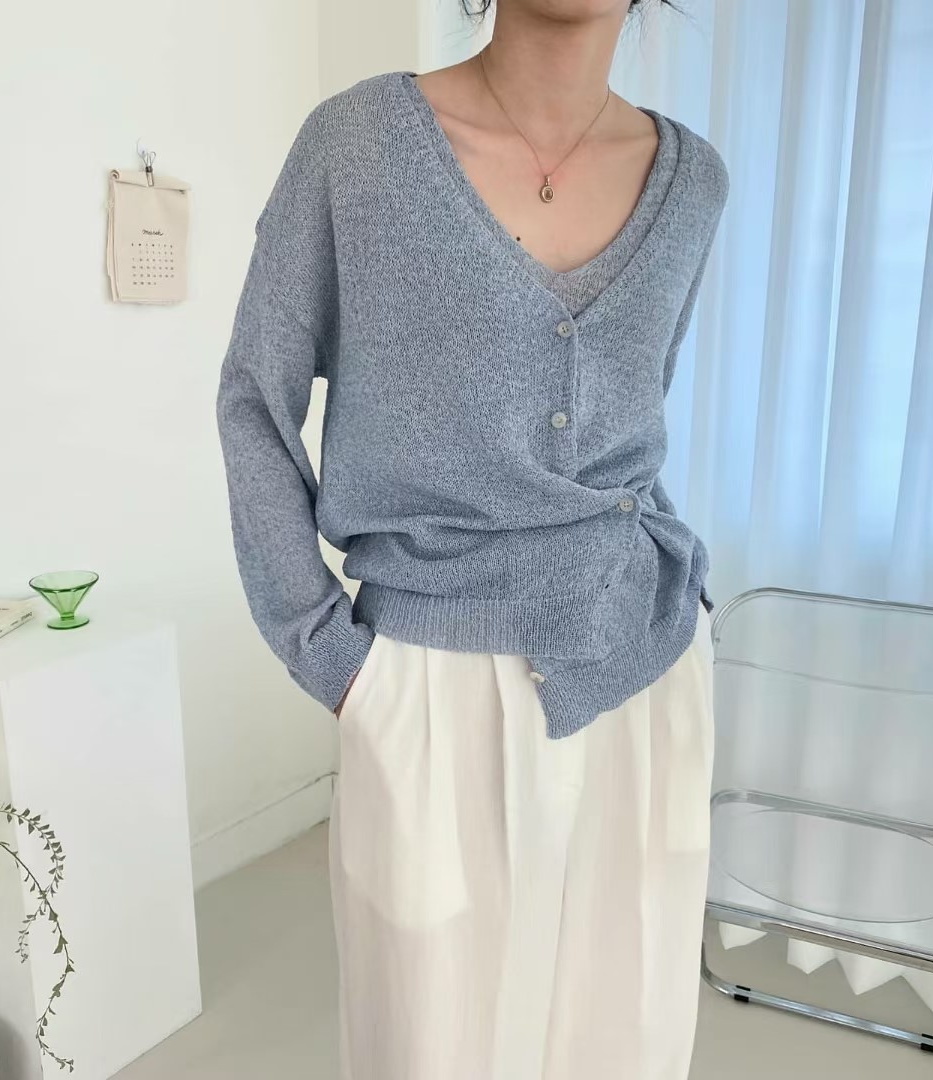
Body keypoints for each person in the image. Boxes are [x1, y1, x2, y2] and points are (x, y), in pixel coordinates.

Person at [216, 0, 728, 1075]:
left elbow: (634, 423)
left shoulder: (694, 183)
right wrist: (333, 658)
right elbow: (255, 402)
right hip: (426, 685)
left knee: (619, 1038)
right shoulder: (355, 149)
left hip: (642, 670)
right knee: (432, 1045)